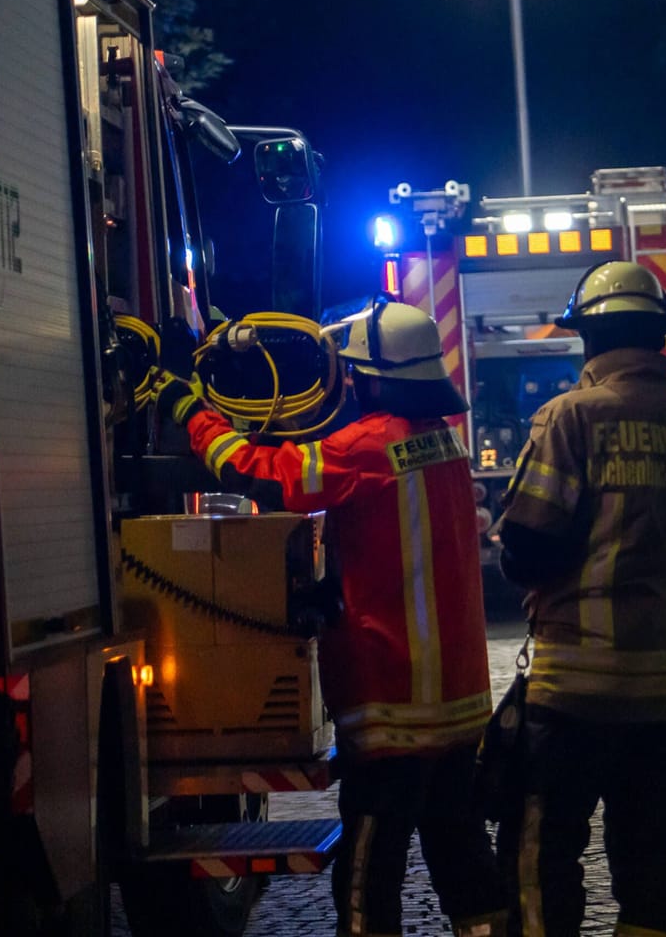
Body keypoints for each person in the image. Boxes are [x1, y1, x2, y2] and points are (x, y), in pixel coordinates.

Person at [160, 303, 502, 937]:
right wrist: (335, 589)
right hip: (457, 708)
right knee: (461, 856)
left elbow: (260, 475)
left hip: (394, 705)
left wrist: (187, 408)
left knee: (369, 872)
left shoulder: (369, 445)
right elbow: (400, 550)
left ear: (366, 375)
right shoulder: (443, 440)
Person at [495, 262, 666, 937]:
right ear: (659, 338)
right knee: (651, 854)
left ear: (590, 339)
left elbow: (529, 545)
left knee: (543, 853)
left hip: (573, 690)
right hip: (663, 691)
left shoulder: (569, 418)